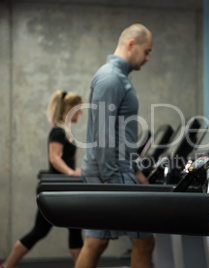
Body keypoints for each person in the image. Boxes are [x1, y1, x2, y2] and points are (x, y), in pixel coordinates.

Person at [75, 24, 155, 268]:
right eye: (146, 51)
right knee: (144, 241)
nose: (148, 58)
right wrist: (113, 178)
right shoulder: (111, 78)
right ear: (131, 44)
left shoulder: (116, 77)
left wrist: (136, 170)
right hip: (111, 172)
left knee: (96, 242)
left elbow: (118, 133)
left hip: (115, 169)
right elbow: (102, 134)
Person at [1, 90, 84, 268]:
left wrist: (73, 171)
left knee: (73, 229)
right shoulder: (58, 132)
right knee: (41, 231)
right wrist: (71, 173)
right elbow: (54, 158)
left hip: (63, 188)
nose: (81, 113)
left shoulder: (65, 131)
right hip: (56, 190)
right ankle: (7, 266)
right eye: (79, 109)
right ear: (69, 109)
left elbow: (63, 159)